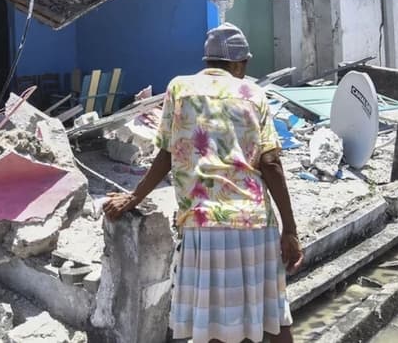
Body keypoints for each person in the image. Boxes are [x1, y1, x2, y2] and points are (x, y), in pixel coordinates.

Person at [103, 22, 303, 343]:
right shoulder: (254, 93)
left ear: (208, 61)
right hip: (255, 223)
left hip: (204, 224)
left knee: (211, 326)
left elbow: (166, 154)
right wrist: (290, 230)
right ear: (239, 64)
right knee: (272, 317)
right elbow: (271, 164)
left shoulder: (179, 89)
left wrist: (132, 199)